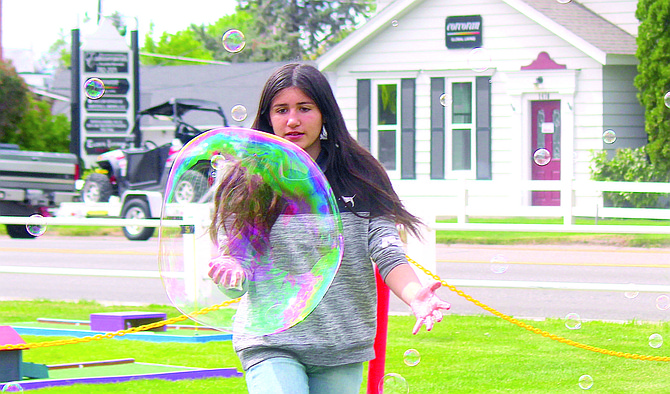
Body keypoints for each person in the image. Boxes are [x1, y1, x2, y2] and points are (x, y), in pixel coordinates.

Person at [208, 62, 450, 394]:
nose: (292, 120)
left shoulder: (358, 173)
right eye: (281, 110)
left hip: (341, 343)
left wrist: (416, 296)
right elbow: (237, 274)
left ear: (325, 114)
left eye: (304, 108)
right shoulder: (250, 182)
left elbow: (386, 249)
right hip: (270, 341)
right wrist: (231, 272)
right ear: (268, 117)